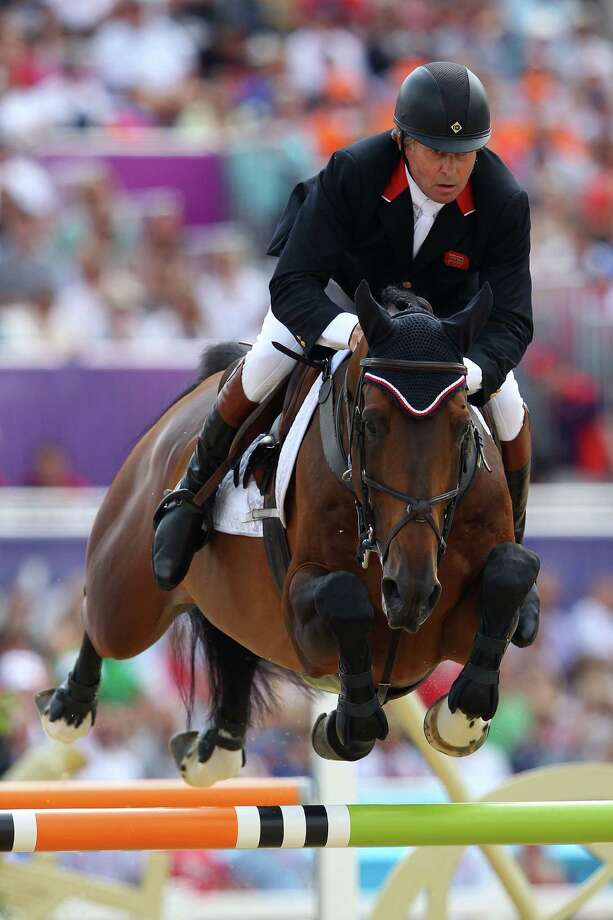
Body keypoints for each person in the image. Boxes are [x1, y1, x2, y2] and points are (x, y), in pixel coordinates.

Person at [152, 62, 535, 614]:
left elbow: (513, 320)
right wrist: (350, 332)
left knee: (510, 405)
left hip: (445, 332)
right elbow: (292, 284)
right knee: (263, 364)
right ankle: (190, 496)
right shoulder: (354, 172)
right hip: (344, 305)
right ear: (403, 141)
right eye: (437, 152)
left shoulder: (503, 199)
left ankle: (512, 542)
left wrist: (468, 372)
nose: (452, 168)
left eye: (465, 153)